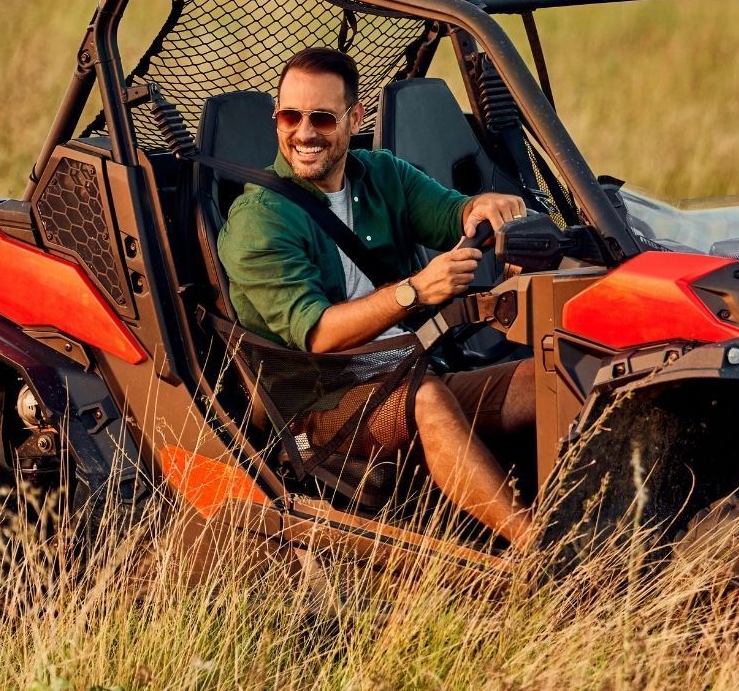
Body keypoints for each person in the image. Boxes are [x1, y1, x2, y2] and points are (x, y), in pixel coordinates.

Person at [217, 46, 534, 546]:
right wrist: (414, 291)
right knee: (427, 398)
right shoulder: (259, 219)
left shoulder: (381, 173)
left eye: (322, 118)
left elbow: (451, 212)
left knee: (546, 377)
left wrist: (484, 207)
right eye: (290, 116)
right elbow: (318, 334)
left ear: (354, 118)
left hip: (409, 368)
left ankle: (602, 517)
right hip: (318, 409)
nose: (304, 133)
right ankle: (538, 553)